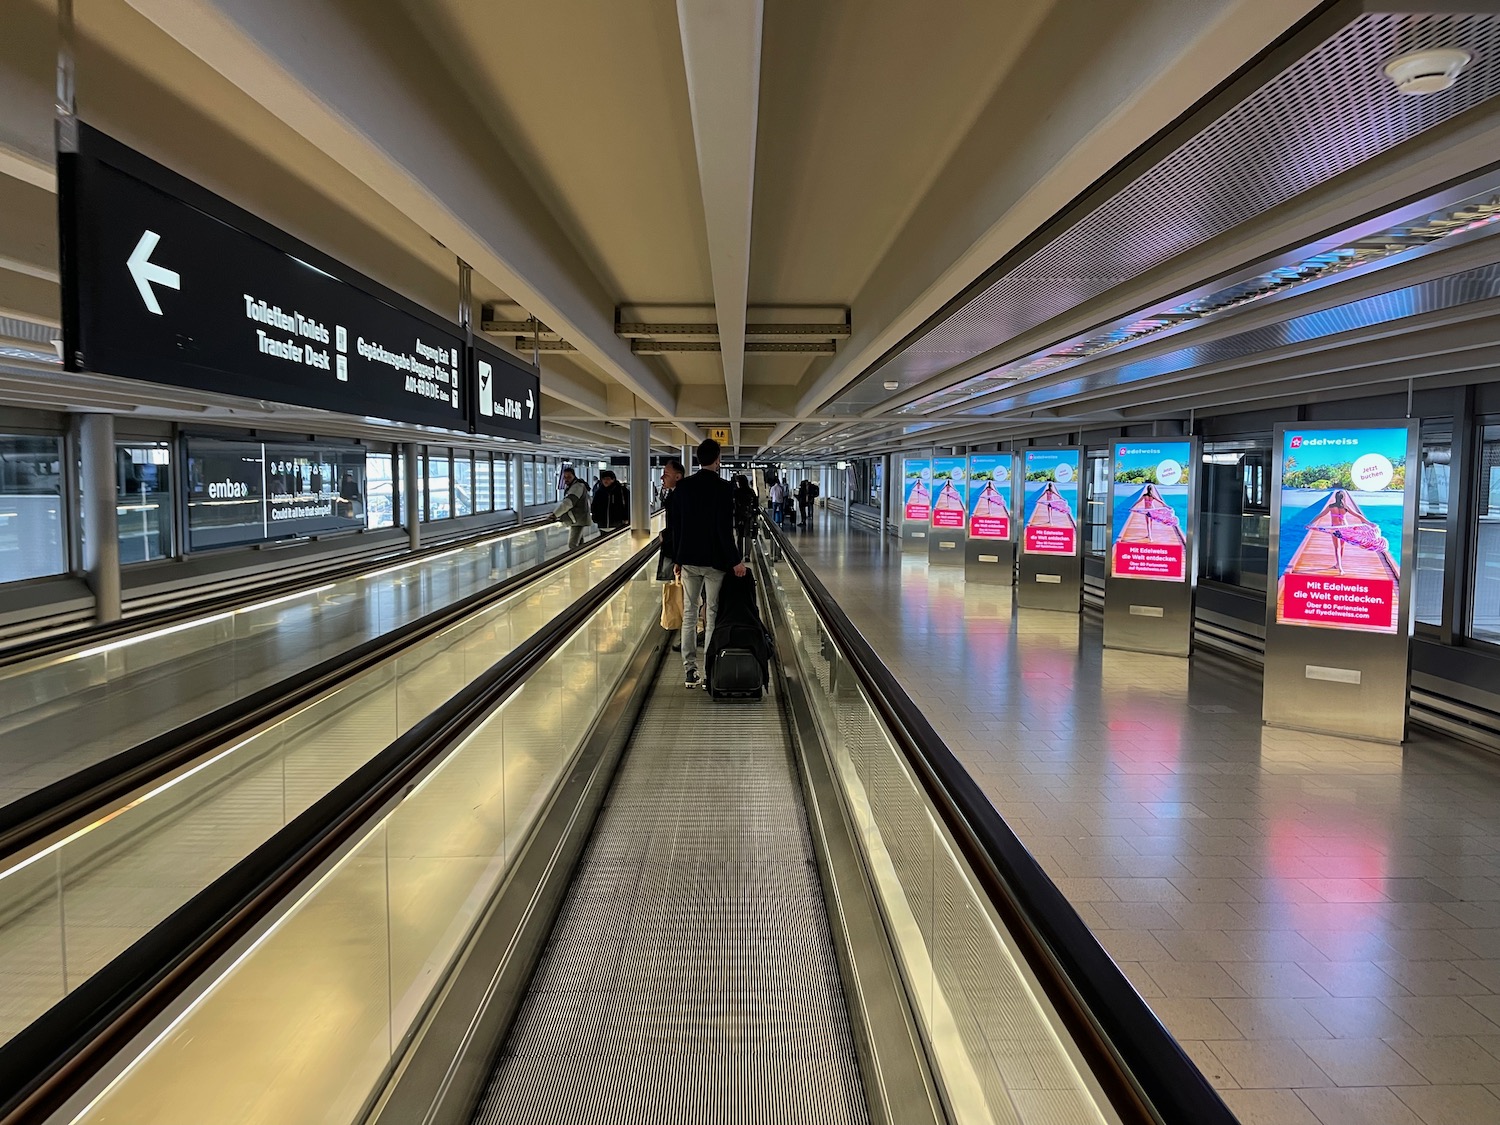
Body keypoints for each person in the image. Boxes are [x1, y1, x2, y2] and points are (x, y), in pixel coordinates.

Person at [671, 438, 746, 689]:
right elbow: (723, 529)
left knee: (690, 614)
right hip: (715, 562)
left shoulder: (683, 487)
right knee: (712, 614)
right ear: (717, 460)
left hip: (689, 560)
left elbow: (677, 527)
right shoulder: (724, 489)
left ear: (697, 460)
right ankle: (711, 670)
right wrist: (735, 561)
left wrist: (677, 559)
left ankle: (689, 672)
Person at [552, 466, 592, 549]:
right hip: (577, 519)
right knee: (579, 543)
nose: (566, 479)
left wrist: (555, 515)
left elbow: (568, 503)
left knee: (572, 545)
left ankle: (577, 560)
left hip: (577, 519)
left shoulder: (577, 487)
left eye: (569, 477)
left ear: (574, 476)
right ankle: (583, 559)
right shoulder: (573, 486)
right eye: (565, 477)